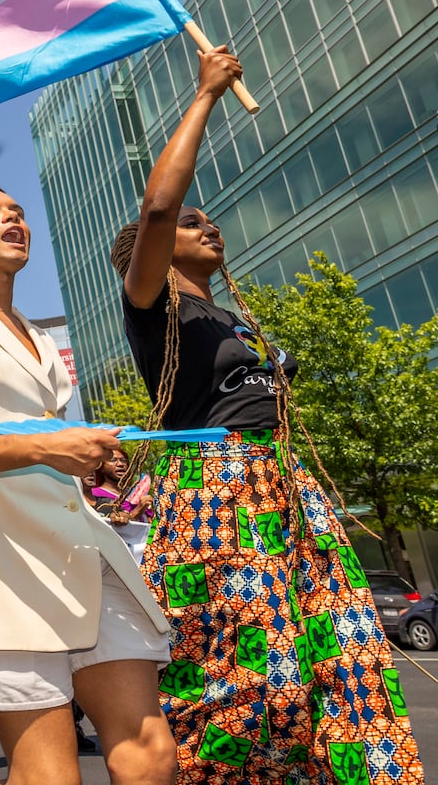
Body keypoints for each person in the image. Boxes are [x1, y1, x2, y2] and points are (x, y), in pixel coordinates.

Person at [112, 46, 426, 784]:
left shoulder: (229, 317)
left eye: (208, 220)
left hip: (287, 495)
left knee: (343, 659)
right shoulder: (153, 309)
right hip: (215, 497)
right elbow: (158, 204)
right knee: (247, 683)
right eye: (193, 224)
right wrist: (206, 97)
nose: (205, 225)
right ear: (149, 254)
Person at [0, 186, 176, 785]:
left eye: (16, 209)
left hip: (86, 549)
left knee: (151, 755)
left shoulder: (40, 336)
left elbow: (42, 439)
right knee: (48, 776)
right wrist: (51, 446)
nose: (12, 216)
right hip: (2, 561)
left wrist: (86, 453)